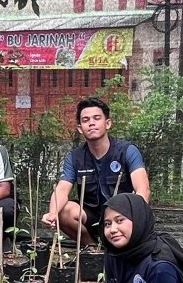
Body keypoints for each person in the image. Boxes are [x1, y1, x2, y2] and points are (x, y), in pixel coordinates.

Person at [41, 97, 150, 248]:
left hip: (123, 215)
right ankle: (92, 249)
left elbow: (143, 189)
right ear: (80, 128)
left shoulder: (127, 151)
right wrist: (52, 213)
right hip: (92, 215)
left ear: (108, 123)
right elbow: (61, 189)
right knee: (64, 212)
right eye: (85, 120)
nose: (91, 123)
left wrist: (134, 216)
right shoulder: (75, 158)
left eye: (96, 118)